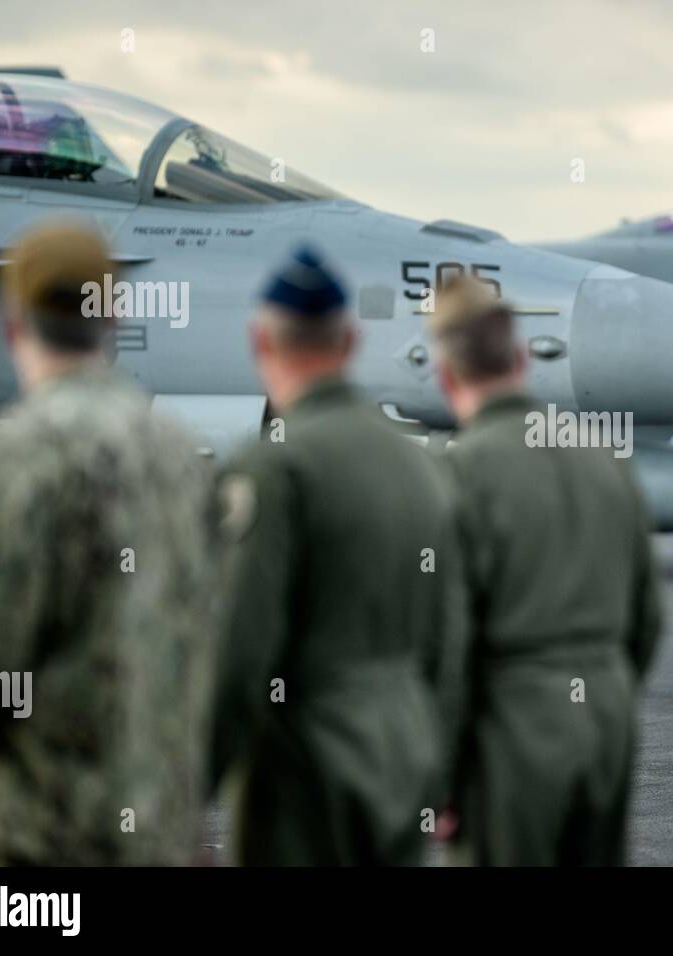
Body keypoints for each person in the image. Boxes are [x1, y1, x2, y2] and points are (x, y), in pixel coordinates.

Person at [0, 221, 213, 865]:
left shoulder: (19, 453)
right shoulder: (178, 453)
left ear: (10, 325)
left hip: (38, 853)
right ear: (112, 319)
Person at [209, 246, 465, 865]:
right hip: (405, 756)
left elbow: (241, 646)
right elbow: (452, 639)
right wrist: (447, 774)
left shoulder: (270, 466)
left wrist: (193, 783)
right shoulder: (420, 466)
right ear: (350, 341)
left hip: (303, 769)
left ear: (260, 342)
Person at [429, 277, 659, 866]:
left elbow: (450, 644)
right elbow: (647, 620)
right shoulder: (604, 462)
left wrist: (443, 780)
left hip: (514, 729)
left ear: (447, 376)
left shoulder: (463, 473)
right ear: (524, 359)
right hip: (606, 718)